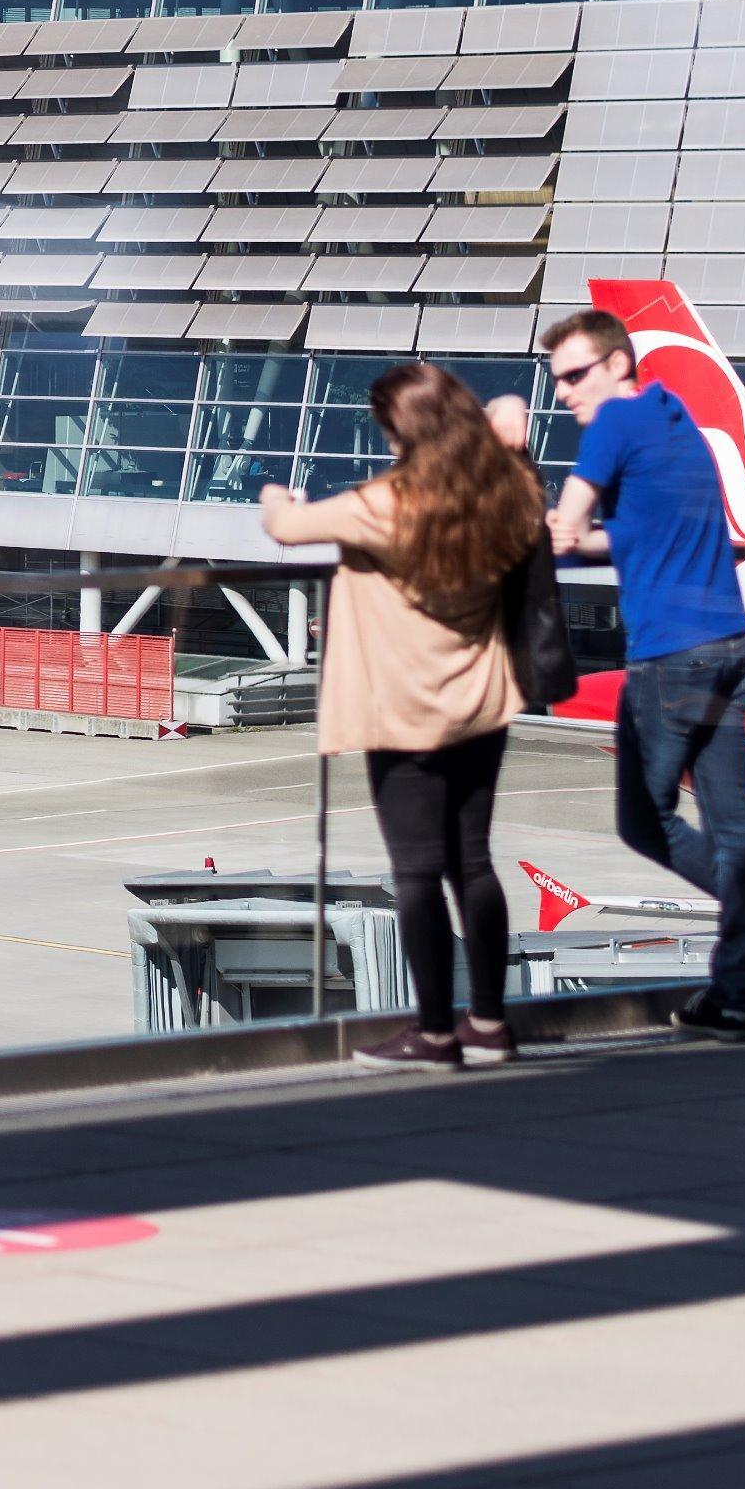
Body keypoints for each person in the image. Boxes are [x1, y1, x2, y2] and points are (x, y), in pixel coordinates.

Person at [539, 306, 745, 1037]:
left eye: (574, 375)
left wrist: (528, 527)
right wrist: (586, 539)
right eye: (557, 381)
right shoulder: (673, 420)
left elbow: (567, 529)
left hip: (671, 659)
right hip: (731, 649)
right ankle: (740, 987)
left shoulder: (612, 423)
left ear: (616, 364)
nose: (564, 393)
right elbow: (637, 534)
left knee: (646, 822)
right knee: (731, 829)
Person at [260, 361, 535, 1070]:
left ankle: (434, 1034)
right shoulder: (504, 492)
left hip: (404, 708)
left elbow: (287, 525)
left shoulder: (383, 503)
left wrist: (273, 493)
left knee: (415, 872)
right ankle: (490, 1025)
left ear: (399, 430)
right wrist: (509, 430)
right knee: (473, 863)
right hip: (482, 700)